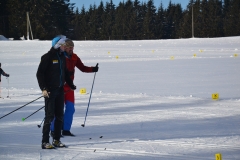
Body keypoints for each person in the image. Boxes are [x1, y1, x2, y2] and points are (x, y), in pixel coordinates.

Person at [50, 39, 99, 136]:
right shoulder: (59, 57)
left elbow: (83, 68)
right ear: (64, 48)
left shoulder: (74, 57)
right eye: (69, 48)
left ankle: (66, 129)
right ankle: (53, 129)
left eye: (72, 47)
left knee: (71, 109)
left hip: (69, 88)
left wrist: (93, 69)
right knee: (57, 109)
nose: (71, 49)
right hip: (59, 87)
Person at [36, 35, 76, 149]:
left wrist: (71, 84)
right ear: (58, 45)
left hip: (59, 91)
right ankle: (45, 142)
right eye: (63, 45)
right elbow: (39, 74)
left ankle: (57, 140)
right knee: (49, 116)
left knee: (59, 116)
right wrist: (43, 88)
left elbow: (66, 73)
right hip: (49, 91)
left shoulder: (62, 57)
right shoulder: (47, 57)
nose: (65, 47)